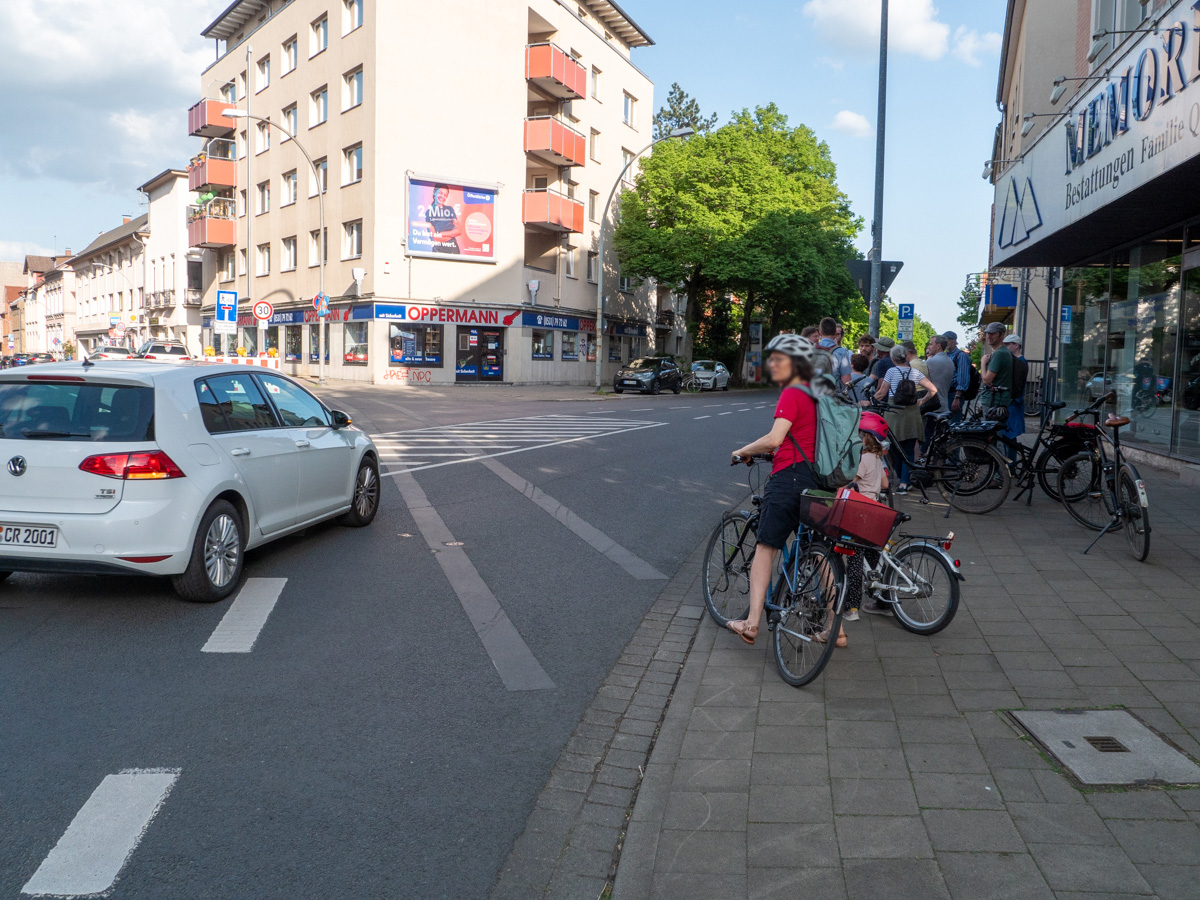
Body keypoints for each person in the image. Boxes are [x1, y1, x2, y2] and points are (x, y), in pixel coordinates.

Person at [727, 334, 845, 647]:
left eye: (778, 359)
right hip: (821, 482)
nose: (772, 365)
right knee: (821, 556)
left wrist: (742, 450)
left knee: (766, 547)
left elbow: (776, 439)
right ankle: (837, 630)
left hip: (789, 478)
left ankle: (751, 623)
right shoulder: (824, 394)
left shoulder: (795, 391)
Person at [874, 344, 937, 492]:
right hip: (912, 414)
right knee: (908, 450)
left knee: (893, 449)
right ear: (905, 356)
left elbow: (882, 393)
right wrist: (922, 401)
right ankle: (904, 482)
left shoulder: (891, 371)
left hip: (894, 414)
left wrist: (870, 400)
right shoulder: (915, 372)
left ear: (892, 358)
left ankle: (901, 478)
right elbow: (933, 389)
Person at [846, 412, 890, 620]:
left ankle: (852, 608)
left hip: (860, 511)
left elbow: (851, 481)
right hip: (877, 510)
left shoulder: (863, 459)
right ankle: (882, 600)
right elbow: (885, 485)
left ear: (864, 437)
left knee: (855, 558)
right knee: (874, 558)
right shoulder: (878, 459)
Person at [1001, 334, 1028, 459]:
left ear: (1016, 345)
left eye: (1007, 344)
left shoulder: (1019, 362)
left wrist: (1011, 399)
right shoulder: (1018, 361)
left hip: (1013, 403)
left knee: (1009, 435)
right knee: (1009, 435)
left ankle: (1010, 465)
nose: (1005, 347)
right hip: (1014, 402)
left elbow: (1017, 384)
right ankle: (1010, 465)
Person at [980, 321, 1013, 410]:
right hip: (997, 401)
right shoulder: (1002, 352)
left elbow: (986, 380)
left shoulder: (1000, 353)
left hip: (994, 402)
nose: (988, 336)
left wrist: (982, 363)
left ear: (1001, 335)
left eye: (993, 333)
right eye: (987, 333)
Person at [943, 331, 973, 423]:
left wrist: (957, 398)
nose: (945, 343)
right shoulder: (946, 355)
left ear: (954, 341)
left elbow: (963, 378)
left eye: (947, 340)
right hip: (946, 393)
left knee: (953, 423)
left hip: (954, 394)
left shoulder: (961, 355)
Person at [425, 184, 463, 254]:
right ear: (434, 192)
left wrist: (441, 234)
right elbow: (435, 238)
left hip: (453, 249)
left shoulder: (450, 209)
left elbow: (459, 231)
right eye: (440, 193)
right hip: (438, 250)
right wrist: (452, 235)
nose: (443, 196)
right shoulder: (429, 212)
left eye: (445, 195)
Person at [819, 317, 852, 387]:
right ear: (835, 333)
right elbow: (846, 380)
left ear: (820, 333)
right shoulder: (841, 352)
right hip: (831, 395)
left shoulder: (810, 349)